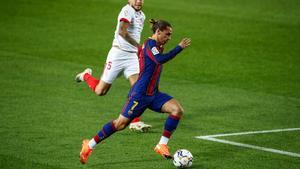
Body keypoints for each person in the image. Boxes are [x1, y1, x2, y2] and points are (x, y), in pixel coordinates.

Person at [79, 19, 191, 164]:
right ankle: (89, 145)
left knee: (177, 110)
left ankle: (162, 145)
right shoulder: (150, 45)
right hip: (139, 96)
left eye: (170, 35)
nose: (169, 38)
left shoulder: (157, 45)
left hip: (154, 94)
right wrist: (179, 47)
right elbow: (159, 60)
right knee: (120, 124)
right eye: (167, 34)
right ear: (158, 32)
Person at [75, 0, 151, 132]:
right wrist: (139, 47)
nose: (138, 1)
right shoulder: (127, 10)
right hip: (118, 55)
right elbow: (122, 31)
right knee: (100, 91)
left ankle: (135, 121)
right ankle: (86, 76)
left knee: (138, 89)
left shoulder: (142, 15)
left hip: (132, 57)